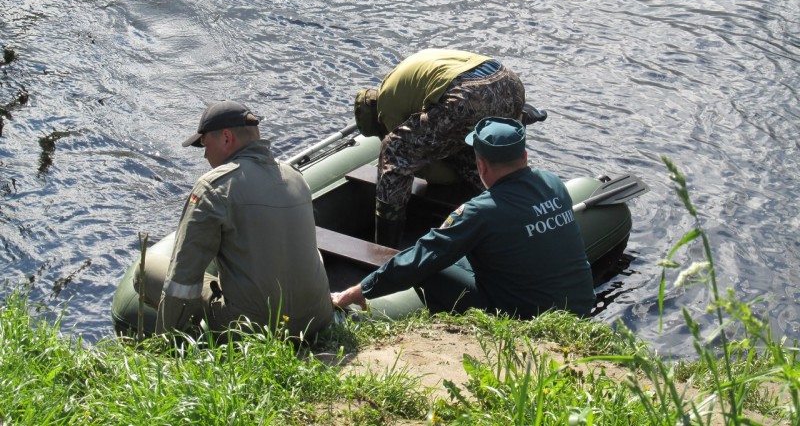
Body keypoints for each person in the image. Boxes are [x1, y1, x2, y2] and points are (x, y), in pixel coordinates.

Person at [331, 116, 596, 319]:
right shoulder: (553, 183)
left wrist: (359, 290)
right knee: (469, 252)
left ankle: (457, 329)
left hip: (523, 317)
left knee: (429, 267)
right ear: (524, 156)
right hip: (581, 307)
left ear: (481, 165)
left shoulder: (481, 211)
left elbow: (422, 257)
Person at [136, 100, 333, 340]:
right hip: (317, 320)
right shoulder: (296, 177)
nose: (206, 155)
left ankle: (188, 341)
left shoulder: (214, 187)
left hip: (254, 329)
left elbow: (182, 280)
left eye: (206, 145)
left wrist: (165, 342)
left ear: (227, 138)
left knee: (144, 269)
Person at [353, 49, 526, 247]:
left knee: (395, 150)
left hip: (470, 95)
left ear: (376, 118)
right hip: (509, 82)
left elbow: (408, 158)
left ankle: (384, 245)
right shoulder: (400, 79)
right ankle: (502, 210)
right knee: (467, 150)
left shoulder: (387, 105)